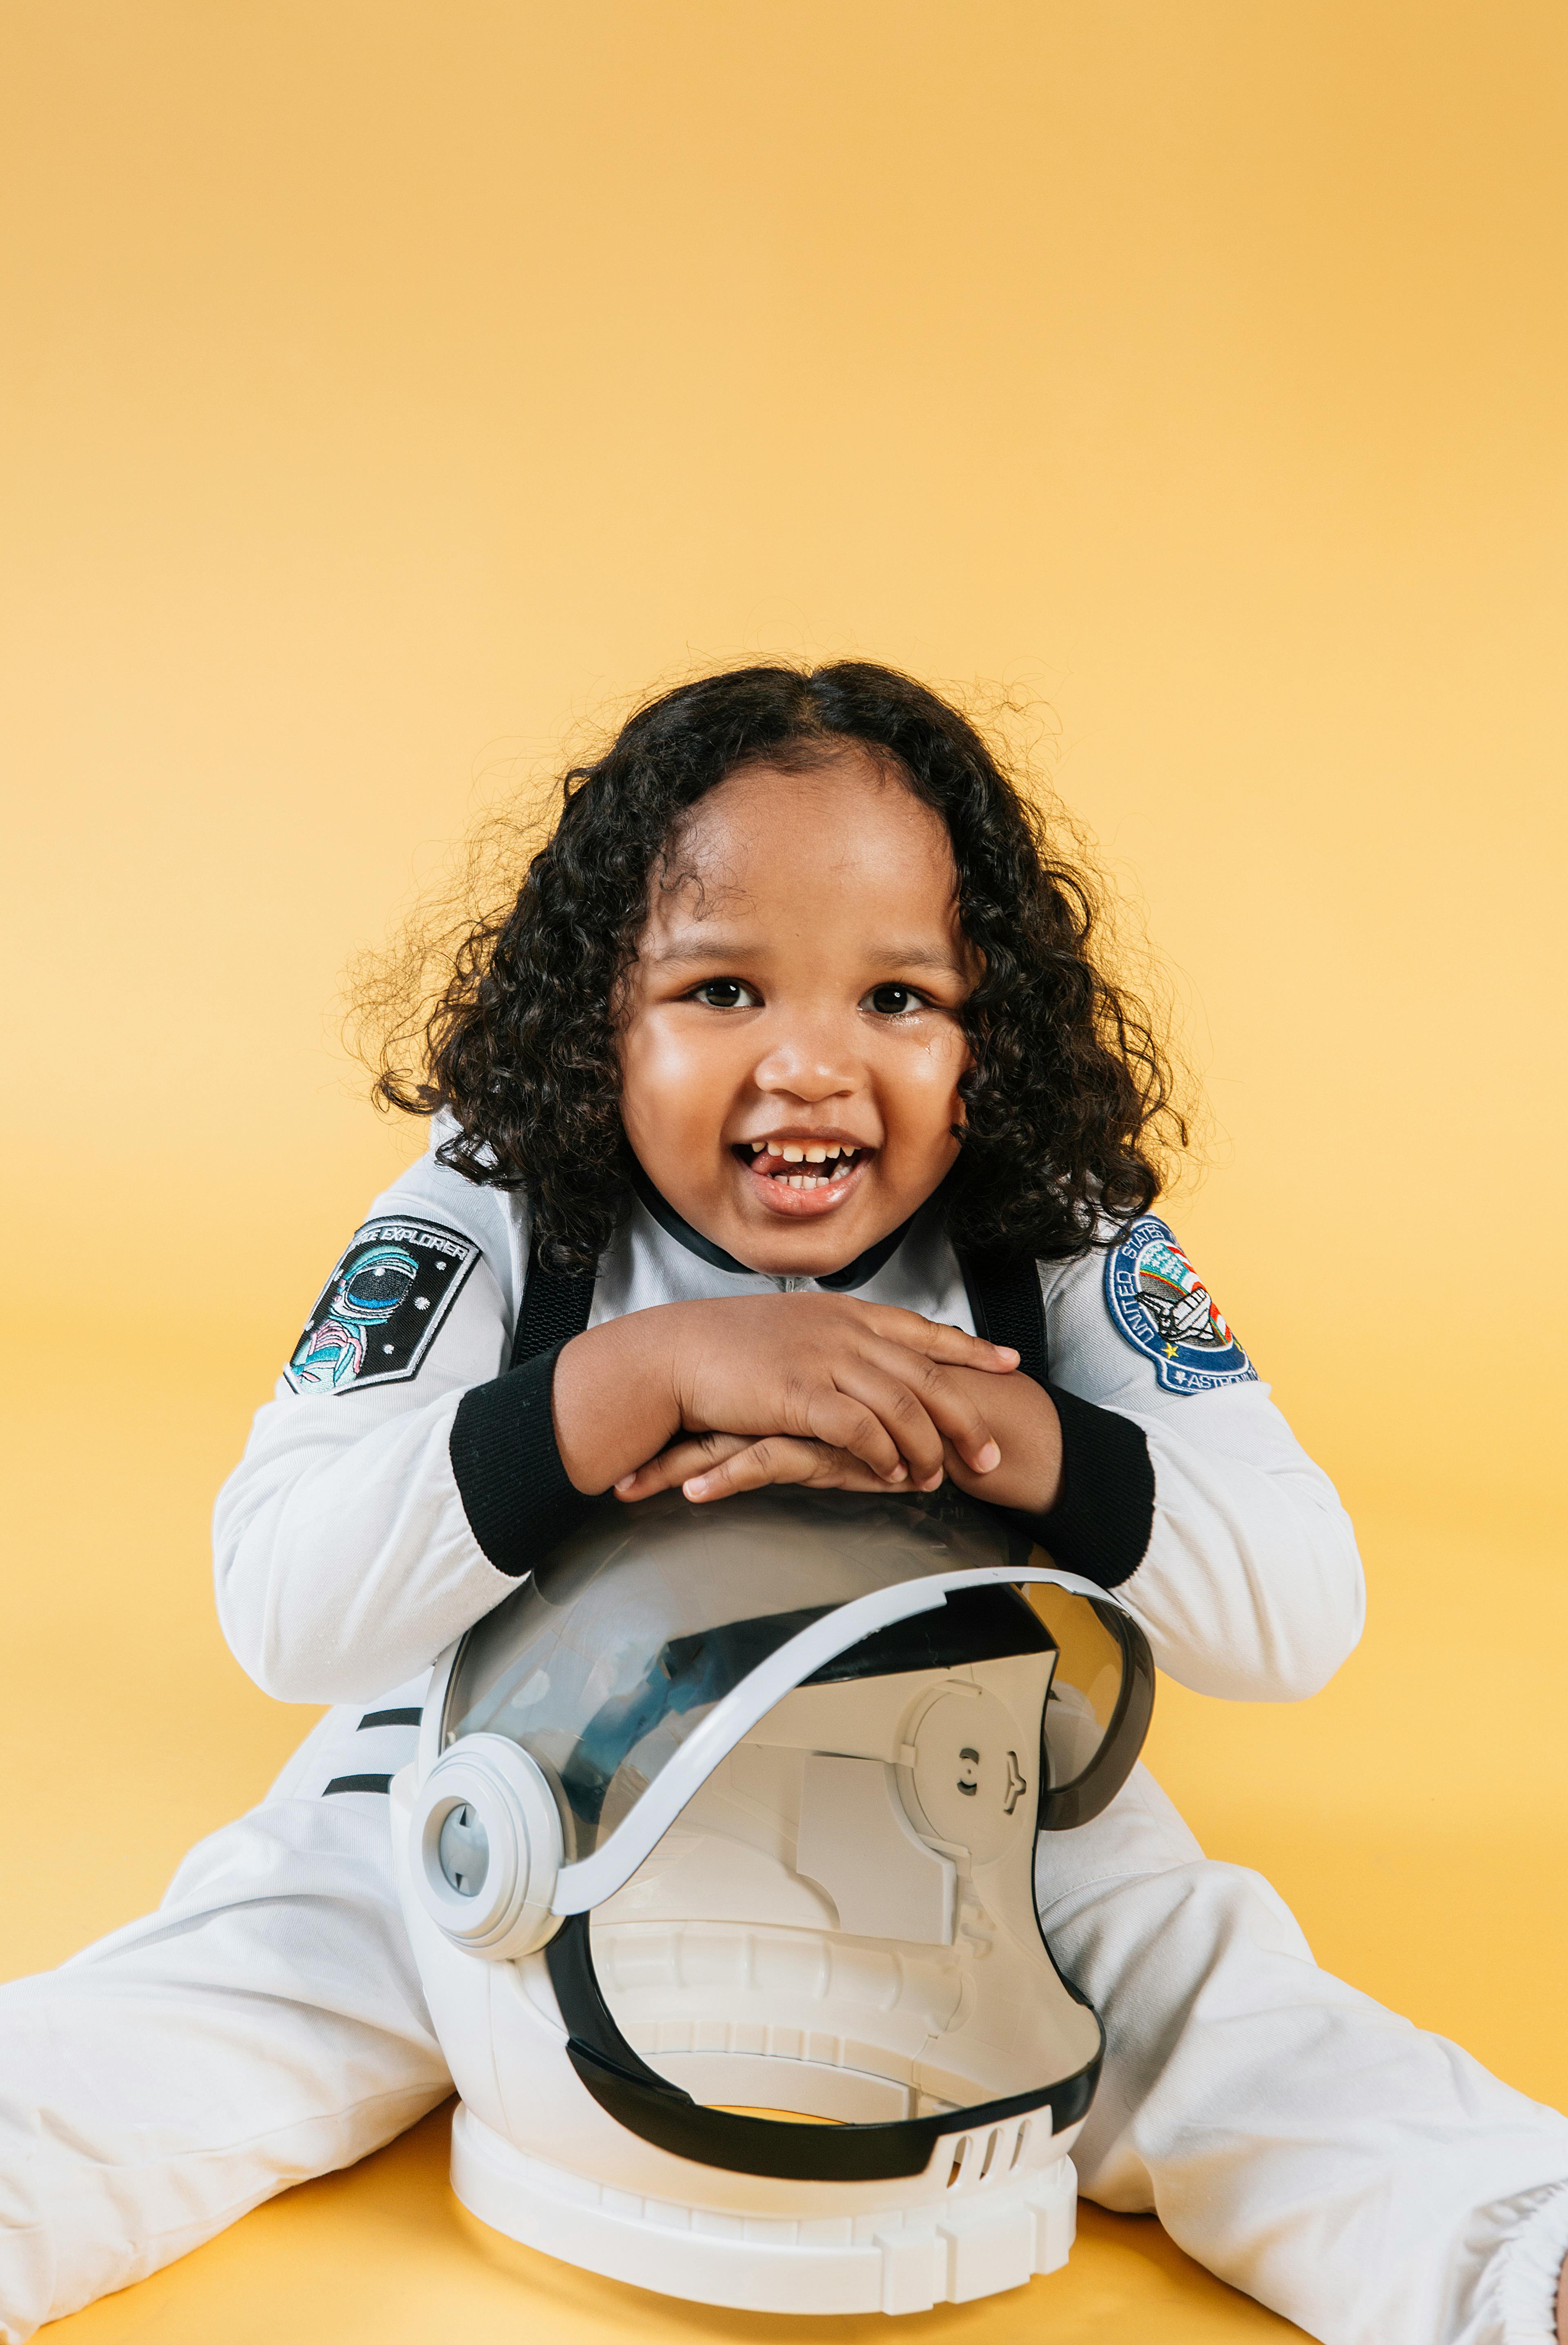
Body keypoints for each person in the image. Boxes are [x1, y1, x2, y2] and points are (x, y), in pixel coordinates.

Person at [1, 661, 1564, 2344]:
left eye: (898, 1001)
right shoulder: (500, 1202)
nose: (812, 1066)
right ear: (598, 1015)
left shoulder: (1060, 1232)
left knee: (1217, 2004)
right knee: (211, 2004)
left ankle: (1514, 2260)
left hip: (953, 1790)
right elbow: (284, 1602)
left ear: (991, 1033)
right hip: (505, 1773)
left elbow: (1301, 1612)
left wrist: (995, 1433)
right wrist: (642, 1380)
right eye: (725, 989)